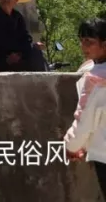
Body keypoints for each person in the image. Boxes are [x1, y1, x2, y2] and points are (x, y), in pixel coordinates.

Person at [64, 18, 106, 197]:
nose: (83, 46)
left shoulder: (94, 80)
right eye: (81, 41)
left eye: (89, 42)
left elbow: (84, 121)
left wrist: (71, 146)